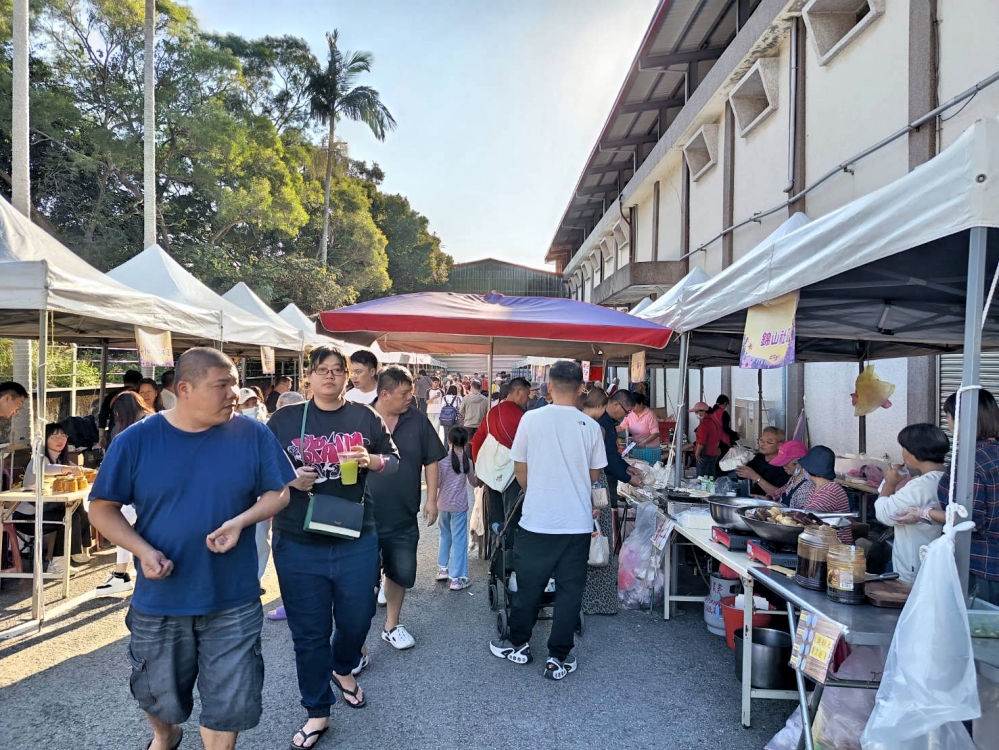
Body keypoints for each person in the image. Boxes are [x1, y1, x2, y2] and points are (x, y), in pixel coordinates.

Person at [89, 347, 302, 750]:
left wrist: (241, 521)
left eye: (235, 384)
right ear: (184, 389)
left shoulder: (252, 434)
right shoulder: (137, 440)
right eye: (222, 385)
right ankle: (166, 736)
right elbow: (101, 508)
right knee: (157, 693)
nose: (234, 394)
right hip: (161, 597)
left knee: (229, 703)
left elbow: (279, 492)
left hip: (232, 596)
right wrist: (142, 550)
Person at [267, 345, 399, 744]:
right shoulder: (284, 419)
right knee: (309, 632)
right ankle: (317, 710)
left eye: (338, 370)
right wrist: (289, 479)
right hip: (297, 540)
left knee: (358, 617)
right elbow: (259, 468)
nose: (330, 376)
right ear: (309, 375)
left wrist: (371, 461)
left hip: (354, 535)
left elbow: (392, 460)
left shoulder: (365, 416)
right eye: (322, 370)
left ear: (348, 376)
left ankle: (343, 666)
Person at [490, 360, 607, 680]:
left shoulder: (531, 419)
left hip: (537, 520)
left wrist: (537, 491)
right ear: (581, 389)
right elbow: (594, 474)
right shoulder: (590, 427)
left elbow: (519, 467)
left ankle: (519, 644)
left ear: (549, 387)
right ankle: (558, 656)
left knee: (529, 585)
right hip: (577, 523)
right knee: (570, 590)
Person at [894, 391, 999, 605]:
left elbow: (968, 519)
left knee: (975, 622)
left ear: (961, 419)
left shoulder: (971, 460)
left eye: (948, 416)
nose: (948, 424)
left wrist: (924, 512)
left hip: (980, 565)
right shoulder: (993, 453)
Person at [368, 365, 446, 650]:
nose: (410, 398)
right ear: (385, 394)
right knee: (360, 577)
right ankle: (357, 640)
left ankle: (392, 625)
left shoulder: (417, 419)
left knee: (399, 572)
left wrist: (432, 499)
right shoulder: (360, 417)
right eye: (404, 394)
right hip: (362, 515)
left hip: (402, 513)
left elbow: (431, 460)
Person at [95, 390, 155, 595]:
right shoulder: (157, 421)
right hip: (154, 490)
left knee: (120, 521)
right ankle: (121, 573)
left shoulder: (133, 431)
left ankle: (122, 574)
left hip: (142, 492)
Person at [873, 424, 947, 584]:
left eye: (904, 448)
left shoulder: (921, 485)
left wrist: (890, 484)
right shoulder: (946, 477)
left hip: (914, 564)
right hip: (937, 562)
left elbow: (885, 514)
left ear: (915, 452)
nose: (902, 453)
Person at [15, 422, 94, 572]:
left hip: (47, 510)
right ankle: (57, 565)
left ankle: (79, 551)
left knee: (79, 509)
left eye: (63, 436)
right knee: (69, 516)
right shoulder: (38, 459)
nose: (60, 440)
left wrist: (97, 472)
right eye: (54, 436)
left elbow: (80, 470)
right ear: (45, 440)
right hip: (28, 517)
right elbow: (46, 469)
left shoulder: (61, 460)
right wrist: (67, 469)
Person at [576, 387, 618, 616]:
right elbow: (598, 468)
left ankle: (578, 599)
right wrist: (596, 502)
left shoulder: (572, 423)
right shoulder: (597, 429)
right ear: (602, 406)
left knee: (579, 546)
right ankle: (599, 601)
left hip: (574, 487)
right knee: (599, 539)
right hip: (595, 486)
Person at [472, 377, 531, 532]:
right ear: (518, 392)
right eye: (527, 394)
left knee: (495, 516)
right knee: (512, 515)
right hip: (514, 474)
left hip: (491, 472)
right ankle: (509, 540)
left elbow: (477, 440)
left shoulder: (492, 413)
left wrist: (479, 466)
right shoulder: (524, 417)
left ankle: (495, 539)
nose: (528, 399)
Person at [436, 426, 475, 591]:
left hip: (442, 504)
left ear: (449, 440)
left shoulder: (442, 461)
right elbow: (473, 482)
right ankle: (457, 579)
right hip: (459, 506)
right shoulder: (467, 462)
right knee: (459, 540)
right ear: (466, 442)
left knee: (445, 535)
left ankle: (442, 569)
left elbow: (437, 482)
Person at [797, 445, 853, 544]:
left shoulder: (831, 490)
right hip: (821, 541)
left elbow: (810, 515)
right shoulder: (815, 489)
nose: (804, 470)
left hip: (837, 546)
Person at [598, 390, 643, 512]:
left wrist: (626, 467)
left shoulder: (609, 422)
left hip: (607, 477)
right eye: (627, 411)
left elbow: (612, 453)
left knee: (608, 511)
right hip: (600, 479)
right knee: (602, 512)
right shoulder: (602, 422)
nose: (626, 416)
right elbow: (607, 458)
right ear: (616, 405)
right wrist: (628, 478)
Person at [758, 440, 814, 509]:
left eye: (786, 462)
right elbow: (784, 489)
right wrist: (769, 498)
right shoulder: (794, 478)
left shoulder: (805, 489)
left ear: (798, 463)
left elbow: (800, 513)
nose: (783, 466)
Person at [735, 427, 791, 495]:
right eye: (761, 440)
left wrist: (756, 477)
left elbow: (781, 495)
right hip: (755, 498)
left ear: (779, 445)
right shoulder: (760, 457)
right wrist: (739, 467)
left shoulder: (785, 466)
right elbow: (741, 476)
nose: (762, 444)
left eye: (768, 442)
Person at [98, 369, 142, 449]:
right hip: (136, 433)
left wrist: (102, 436)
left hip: (114, 432)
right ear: (139, 382)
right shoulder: (139, 395)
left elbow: (102, 416)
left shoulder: (112, 395)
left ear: (124, 380)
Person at [691, 401, 723, 477]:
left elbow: (701, 442)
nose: (696, 414)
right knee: (711, 478)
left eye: (697, 412)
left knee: (703, 479)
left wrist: (697, 454)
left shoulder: (704, 425)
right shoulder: (714, 422)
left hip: (704, 456)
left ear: (703, 411)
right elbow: (718, 439)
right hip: (713, 455)